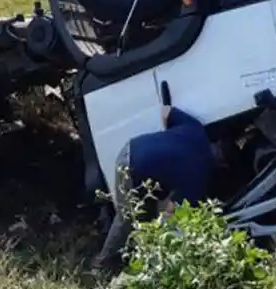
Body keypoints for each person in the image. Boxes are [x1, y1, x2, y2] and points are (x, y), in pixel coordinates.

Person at [90, 103, 217, 271]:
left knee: (145, 215)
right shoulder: (199, 176)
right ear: (221, 164)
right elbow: (171, 211)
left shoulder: (197, 130)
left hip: (131, 148)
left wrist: (167, 145)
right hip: (131, 168)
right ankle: (101, 264)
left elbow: (166, 111)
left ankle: (132, 260)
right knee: (126, 218)